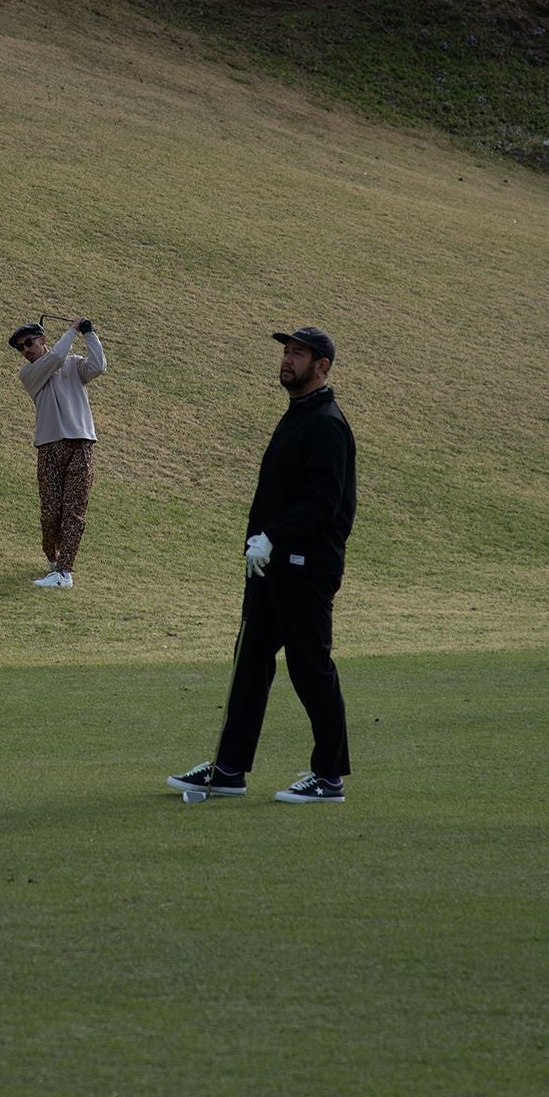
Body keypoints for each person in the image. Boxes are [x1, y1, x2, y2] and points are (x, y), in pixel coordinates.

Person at [167, 325, 356, 803]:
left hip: (306, 567)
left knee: (309, 666)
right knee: (250, 663)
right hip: (270, 566)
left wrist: (272, 537)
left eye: (299, 354)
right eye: (287, 352)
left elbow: (324, 504)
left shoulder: (327, 423)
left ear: (323, 367)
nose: (288, 360)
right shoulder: (296, 415)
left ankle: (329, 777)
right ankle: (230, 769)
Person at [8, 317, 107, 588]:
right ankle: (53, 560)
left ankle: (64, 574)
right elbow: (56, 357)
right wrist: (72, 330)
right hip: (49, 447)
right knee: (51, 512)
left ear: (42, 339)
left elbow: (99, 366)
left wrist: (89, 334)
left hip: (81, 444)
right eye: (21, 348)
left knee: (74, 511)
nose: (25, 350)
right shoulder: (29, 374)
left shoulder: (73, 363)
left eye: (29, 343)